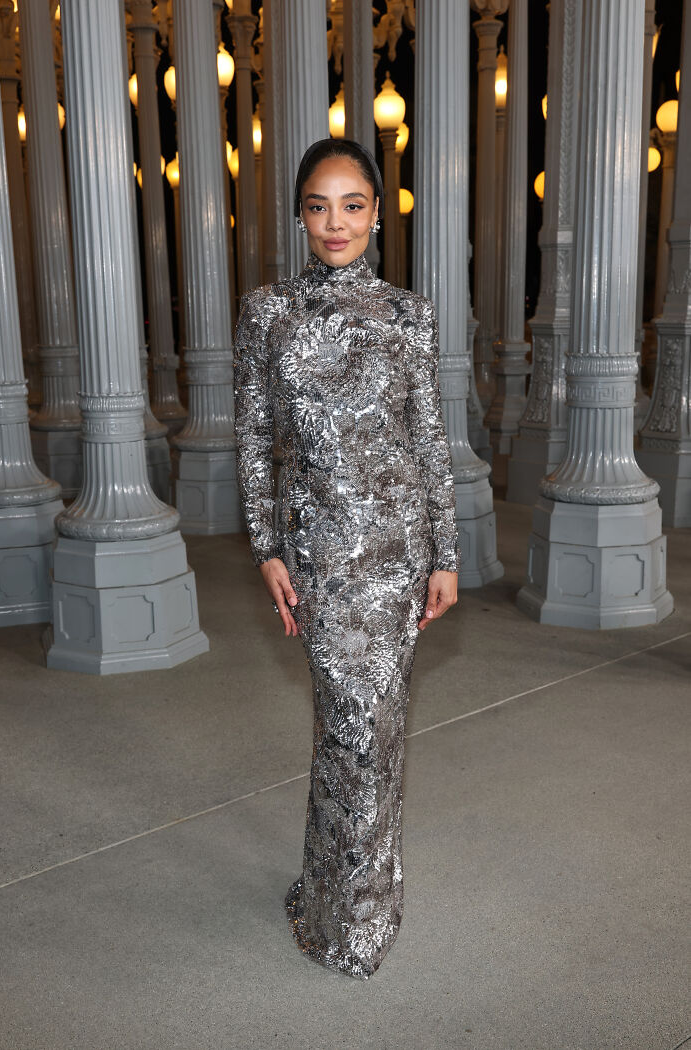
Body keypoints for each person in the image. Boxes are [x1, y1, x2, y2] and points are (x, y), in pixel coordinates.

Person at [233, 137, 460, 980]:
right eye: (320, 205)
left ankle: (358, 911)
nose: (337, 222)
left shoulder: (408, 313)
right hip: (321, 554)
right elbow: (255, 438)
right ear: (300, 213)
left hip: (396, 553)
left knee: (378, 729)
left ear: (377, 212)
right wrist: (265, 547)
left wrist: (446, 551)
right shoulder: (268, 312)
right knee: (348, 730)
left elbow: (429, 437)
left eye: (353, 204)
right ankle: (335, 903)